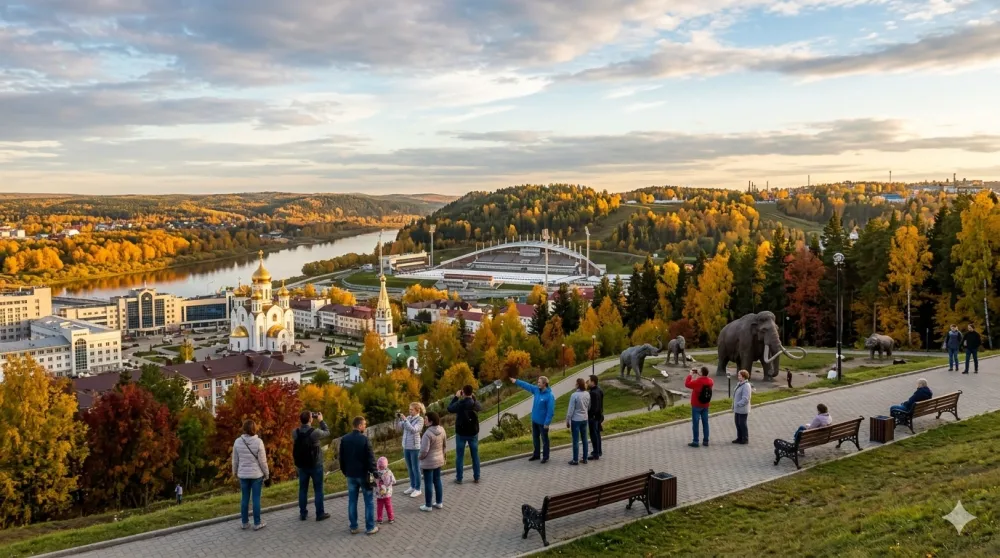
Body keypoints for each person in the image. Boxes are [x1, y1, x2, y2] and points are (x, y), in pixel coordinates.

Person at [339, 416, 378, 535]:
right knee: (369, 501)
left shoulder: (344, 439)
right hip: (364, 474)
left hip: (350, 474)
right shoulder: (364, 440)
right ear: (360, 426)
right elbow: (370, 459)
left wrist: (345, 471)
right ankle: (370, 527)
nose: (365, 426)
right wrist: (374, 473)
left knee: (352, 501)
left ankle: (354, 527)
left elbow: (341, 458)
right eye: (364, 424)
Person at [292, 410, 330, 521]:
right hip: (315, 464)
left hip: (302, 466)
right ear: (310, 419)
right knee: (318, 489)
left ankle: (303, 514)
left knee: (303, 489)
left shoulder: (295, 432)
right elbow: (327, 432)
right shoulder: (315, 432)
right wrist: (321, 420)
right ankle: (320, 514)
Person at [232, 419, 269, 531]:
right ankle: (257, 523)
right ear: (254, 429)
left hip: (243, 475)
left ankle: (244, 522)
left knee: (245, 499)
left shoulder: (237, 442)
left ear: (244, 429)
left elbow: (235, 460)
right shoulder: (259, 442)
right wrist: (266, 474)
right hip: (256, 475)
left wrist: (234, 472)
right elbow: (263, 461)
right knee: (256, 498)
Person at [510, 375, 555, 463]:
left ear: (544, 384)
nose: (537, 384)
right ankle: (536, 455)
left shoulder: (549, 396)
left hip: (543, 423)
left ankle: (545, 456)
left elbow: (550, 411)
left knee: (545, 440)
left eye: (539, 382)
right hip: (535, 420)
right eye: (537, 382)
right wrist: (516, 381)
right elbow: (527, 385)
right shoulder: (536, 390)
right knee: (535, 438)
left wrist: (547, 423)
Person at [447, 385, 483, 484]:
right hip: (473, 433)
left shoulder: (460, 403)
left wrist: (456, 397)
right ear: (471, 392)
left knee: (459, 456)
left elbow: (449, 408)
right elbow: (480, 407)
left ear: (463, 392)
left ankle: (459, 478)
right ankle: (477, 477)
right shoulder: (473, 403)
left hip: (461, 433)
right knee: (475, 455)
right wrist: (473, 398)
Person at [418, 411, 446, 512]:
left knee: (428, 483)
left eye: (426, 419)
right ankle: (439, 502)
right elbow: (444, 445)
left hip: (428, 463)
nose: (424, 420)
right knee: (437, 481)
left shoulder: (427, 434)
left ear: (430, 421)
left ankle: (428, 505)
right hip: (439, 460)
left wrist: (420, 457)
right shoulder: (442, 430)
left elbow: (424, 450)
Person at [397, 402, 425, 498]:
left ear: (417, 410)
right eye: (409, 409)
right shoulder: (408, 418)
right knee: (409, 468)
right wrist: (400, 419)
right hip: (406, 446)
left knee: (415, 468)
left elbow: (414, 430)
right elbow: (399, 427)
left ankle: (418, 489)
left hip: (414, 447)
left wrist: (405, 421)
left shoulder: (420, 420)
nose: (410, 411)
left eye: (411, 410)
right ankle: (412, 486)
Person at [684, 367, 714, 447]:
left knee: (696, 424)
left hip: (696, 405)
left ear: (701, 373)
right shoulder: (710, 381)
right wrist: (699, 373)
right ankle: (706, 441)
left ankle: (696, 441)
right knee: (705, 423)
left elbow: (687, 384)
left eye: (699, 371)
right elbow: (705, 378)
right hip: (705, 405)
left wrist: (690, 375)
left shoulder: (697, 382)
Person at [566, 377, 591, 465]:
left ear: (577, 384)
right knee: (585, 439)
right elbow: (588, 406)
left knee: (575, 440)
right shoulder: (587, 394)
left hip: (576, 420)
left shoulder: (574, 395)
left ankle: (575, 459)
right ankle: (585, 458)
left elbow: (571, 409)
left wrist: (568, 420)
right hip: (585, 418)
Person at [587, 374, 604, 461]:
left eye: (589, 381)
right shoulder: (599, 390)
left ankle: (595, 453)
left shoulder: (593, 393)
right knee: (597, 434)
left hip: (593, 417)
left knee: (594, 435)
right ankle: (598, 451)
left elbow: (594, 407)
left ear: (593, 382)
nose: (587, 382)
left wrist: (590, 415)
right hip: (598, 416)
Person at [374, 456, 396, 525]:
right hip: (387, 493)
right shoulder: (388, 472)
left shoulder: (376, 473)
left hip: (379, 493)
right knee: (388, 505)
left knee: (379, 506)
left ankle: (379, 519)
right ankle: (391, 518)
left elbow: (373, 481)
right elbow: (394, 481)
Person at [732, 369, 751, 445]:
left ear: (743, 377)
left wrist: (738, 404)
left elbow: (746, 398)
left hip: (742, 409)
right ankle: (739, 437)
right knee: (737, 423)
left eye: (739, 375)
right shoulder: (739, 384)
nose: (738, 376)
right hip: (737, 409)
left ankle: (745, 438)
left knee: (742, 424)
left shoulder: (746, 385)